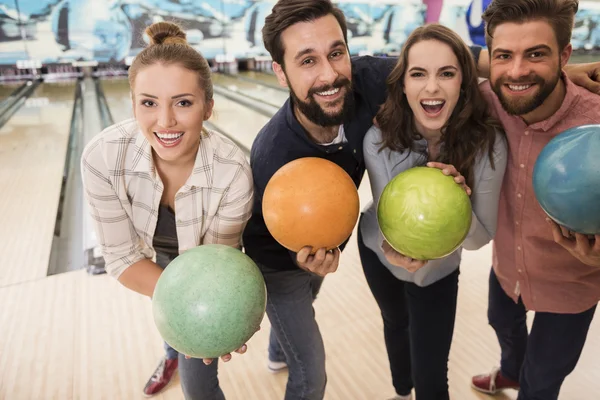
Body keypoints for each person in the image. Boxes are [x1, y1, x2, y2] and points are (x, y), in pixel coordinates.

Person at [242, 1, 600, 399]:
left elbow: (460, 59)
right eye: (306, 60)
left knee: (439, 373)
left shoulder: (368, 80)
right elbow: (266, 248)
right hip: (329, 252)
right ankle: (392, 385)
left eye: (336, 52)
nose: (329, 73)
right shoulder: (279, 152)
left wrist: (557, 72)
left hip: (440, 272)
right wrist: (302, 260)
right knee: (373, 318)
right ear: (279, 70)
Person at [81, 21, 253, 399]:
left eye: (183, 102)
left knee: (198, 379)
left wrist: (219, 312)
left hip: (205, 257)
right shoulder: (102, 156)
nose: (165, 121)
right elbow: (124, 259)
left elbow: (215, 268)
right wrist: (187, 309)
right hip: (151, 247)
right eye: (149, 103)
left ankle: (176, 351)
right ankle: (169, 352)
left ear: (208, 107)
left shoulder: (233, 171)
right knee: (171, 308)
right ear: (132, 105)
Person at [358, 23, 507, 400]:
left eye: (447, 73)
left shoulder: (489, 146)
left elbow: (478, 240)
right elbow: (393, 226)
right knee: (395, 324)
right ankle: (400, 390)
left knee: (432, 372)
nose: (432, 87)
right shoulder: (378, 139)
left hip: (440, 270)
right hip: (378, 252)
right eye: (418, 74)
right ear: (403, 85)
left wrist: (459, 200)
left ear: (464, 83)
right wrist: (395, 250)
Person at [469, 1, 600, 399]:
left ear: (564, 54)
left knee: (542, 379)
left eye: (537, 54)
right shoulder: (489, 99)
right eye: (504, 55)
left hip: (572, 284)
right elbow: (402, 59)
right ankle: (509, 372)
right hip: (508, 267)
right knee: (501, 324)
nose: (518, 71)